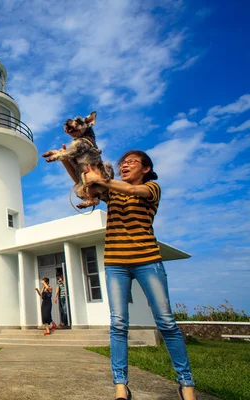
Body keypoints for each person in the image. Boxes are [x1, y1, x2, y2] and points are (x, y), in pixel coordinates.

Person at [78, 150, 196, 400]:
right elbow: (83, 183)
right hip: (115, 263)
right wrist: (81, 171)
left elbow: (133, 191)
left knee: (166, 322)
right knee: (118, 324)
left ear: (145, 168)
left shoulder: (152, 188)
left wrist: (100, 180)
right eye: (122, 163)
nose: (124, 166)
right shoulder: (112, 193)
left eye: (131, 162)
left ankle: (186, 383)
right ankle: (120, 385)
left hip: (147, 261)